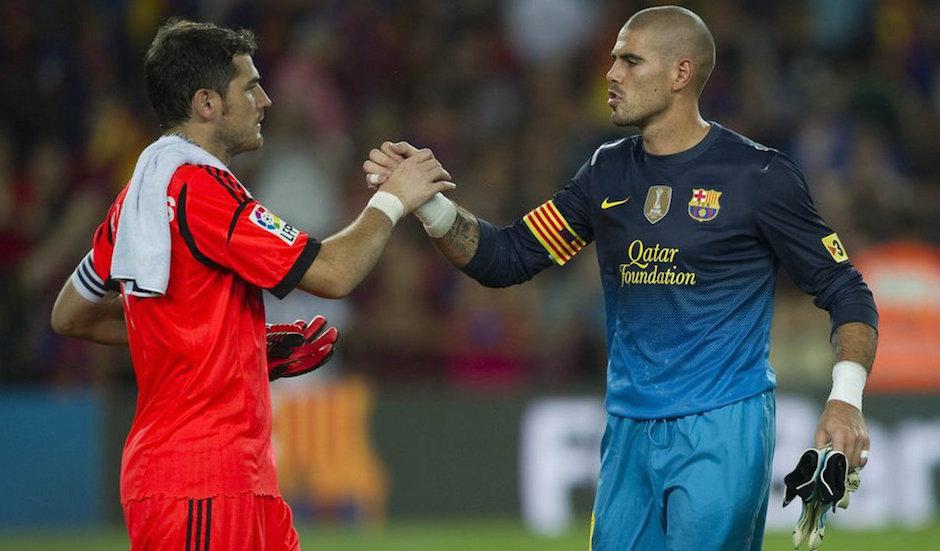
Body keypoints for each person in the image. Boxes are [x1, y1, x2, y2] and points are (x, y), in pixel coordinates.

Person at [363, 6, 877, 550]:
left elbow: (847, 290)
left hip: (721, 427)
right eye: (612, 60)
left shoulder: (758, 176)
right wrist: (429, 206)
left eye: (630, 62)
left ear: (681, 74)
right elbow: (508, 257)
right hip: (627, 430)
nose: (611, 75)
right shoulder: (605, 171)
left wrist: (846, 399)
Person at [50, 19, 453, 551]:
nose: (265, 99)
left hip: (235, 478)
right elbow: (334, 273)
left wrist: (236, 347)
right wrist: (393, 199)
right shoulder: (202, 190)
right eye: (250, 86)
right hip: (198, 483)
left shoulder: (140, 196)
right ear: (207, 103)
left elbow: (69, 313)